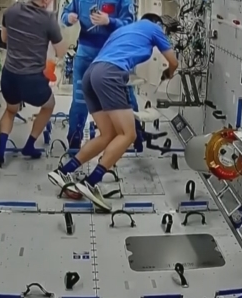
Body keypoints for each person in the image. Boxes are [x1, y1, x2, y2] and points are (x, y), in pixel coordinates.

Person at [48, 14, 178, 210]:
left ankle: (65, 171)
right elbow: (173, 62)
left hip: (92, 74)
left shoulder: (124, 30)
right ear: (157, 23)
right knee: (128, 134)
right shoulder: (154, 28)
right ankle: (91, 182)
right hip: (109, 74)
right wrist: (168, 73)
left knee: (107, 134)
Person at [60, 0, 144, 151]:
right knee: (79, 99)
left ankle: (136, 135)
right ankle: (74, 140)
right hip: (85, 55)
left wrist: (109, 21)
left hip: (112, 56)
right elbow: (65, 14)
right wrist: (68, 17)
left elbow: (130, 25)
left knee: (125, 96)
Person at [0, 0, 66, 167]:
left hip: (9, 75)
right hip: (33, 79)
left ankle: (1, 149)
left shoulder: (11, 11)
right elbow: (60, 51)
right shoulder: (48, 20)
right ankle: (29, 145)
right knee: (49, 105)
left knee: (10, 110)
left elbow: (4, 39)